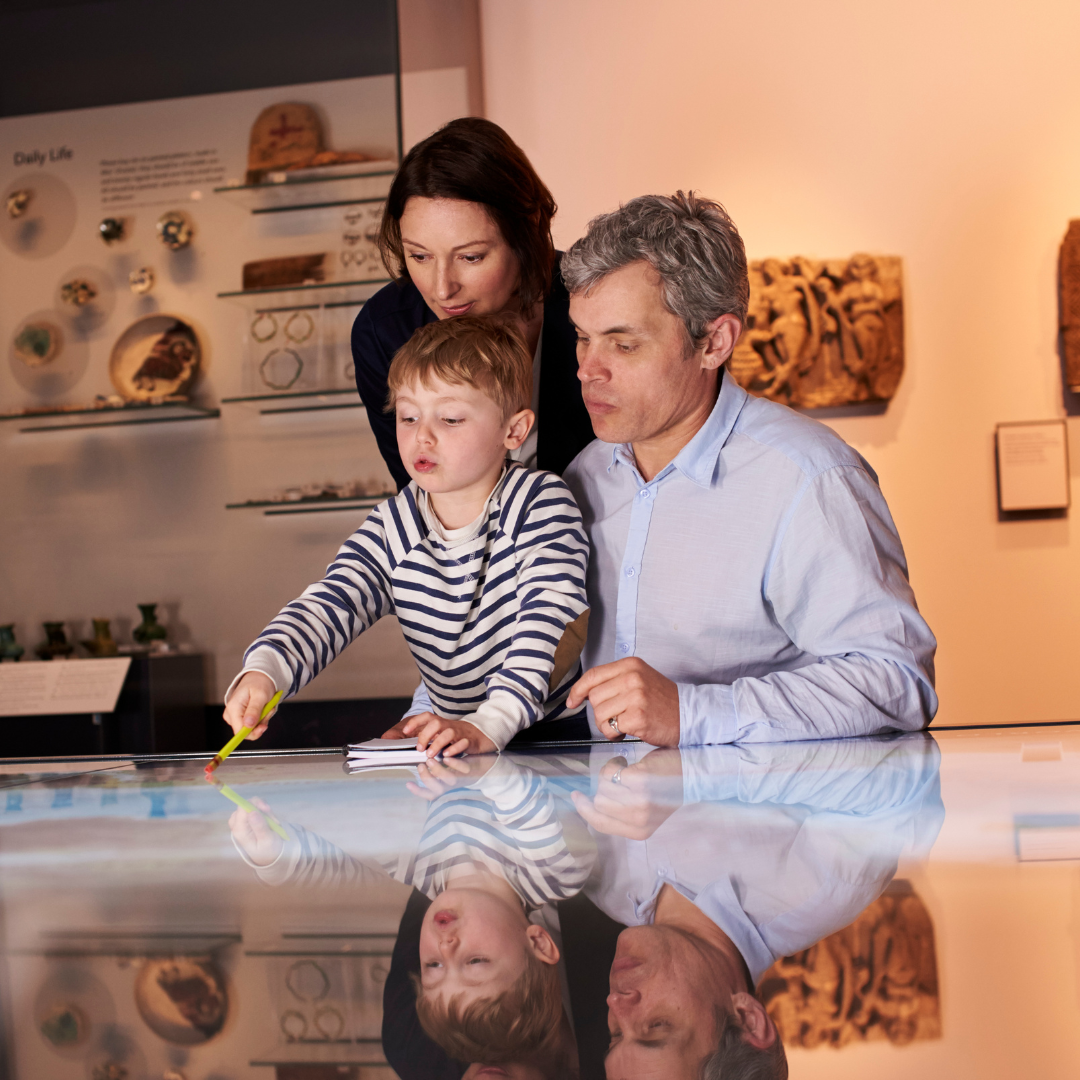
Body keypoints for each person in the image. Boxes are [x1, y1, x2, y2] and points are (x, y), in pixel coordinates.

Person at [560, 192, 938, 747]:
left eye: (623, 343)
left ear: (714, 342)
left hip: (768, 825)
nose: (588, 371)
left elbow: (897, 680)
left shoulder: (809, 477)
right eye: (582, 338)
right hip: (606, 821)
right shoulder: (580, 479)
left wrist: (692, 713)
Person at [224, 316, 590, 756]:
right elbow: (332, 603)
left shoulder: (539, 502)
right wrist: (265, 670)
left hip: (554, 736)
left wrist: (492, 722)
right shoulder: (392, 525)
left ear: (513, 431)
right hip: (454, 737)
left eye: (451, 418)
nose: (423, 436)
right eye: (408, 415)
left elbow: (552, 617)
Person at [573, 734, 943, 1078]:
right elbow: (897, 743)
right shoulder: (828, 881)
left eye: (615, 1035)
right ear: (747, 1018)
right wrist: (692, 768)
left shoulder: (596, 881)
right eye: (656, 1027)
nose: (616, 1002)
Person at [228, 752, 588, 1075]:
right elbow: (535, 799)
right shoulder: (556, 874)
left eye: (433, 967)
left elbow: (352, 859)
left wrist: (275, 858)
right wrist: (481, 766)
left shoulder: (426, 875)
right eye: (475, 962)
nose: (444, 947)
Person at [353, 117, 594, 489]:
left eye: (471, 257)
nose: (442, 289)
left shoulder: (592, 301)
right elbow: (421, 490)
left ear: (527, 228)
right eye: (419, 257)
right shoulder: (385, 331)